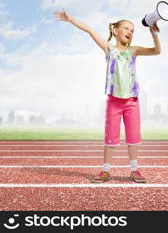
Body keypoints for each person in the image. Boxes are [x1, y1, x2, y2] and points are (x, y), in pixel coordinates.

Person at [53, 10, 161, 183]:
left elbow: (157, 51)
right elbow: (89, 30)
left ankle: (135, 170)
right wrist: (70, 19)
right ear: (116, 30)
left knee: (133, 137)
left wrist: (153, 32)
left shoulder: (134, 51)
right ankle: (106, 171)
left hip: (132, 101)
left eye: (133, 30)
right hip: (114, 102)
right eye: (127, 28)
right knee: (110, 137)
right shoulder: (109, 49)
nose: (130, 32)